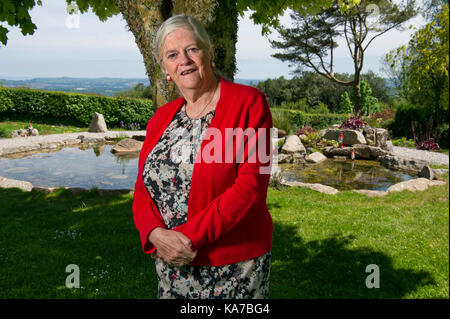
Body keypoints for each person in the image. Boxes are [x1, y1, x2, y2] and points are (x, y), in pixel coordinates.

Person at [132, 14, 274, 299]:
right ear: (166, 69)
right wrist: (154, 235)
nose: (183, 59)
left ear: (209, 54)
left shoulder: (250, 103)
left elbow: (251, 188)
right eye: (172, 54)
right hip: (171, 264)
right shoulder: (160, 118)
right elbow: (142, 188)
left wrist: (186, 240)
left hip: (232, 266)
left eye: (192, 49)